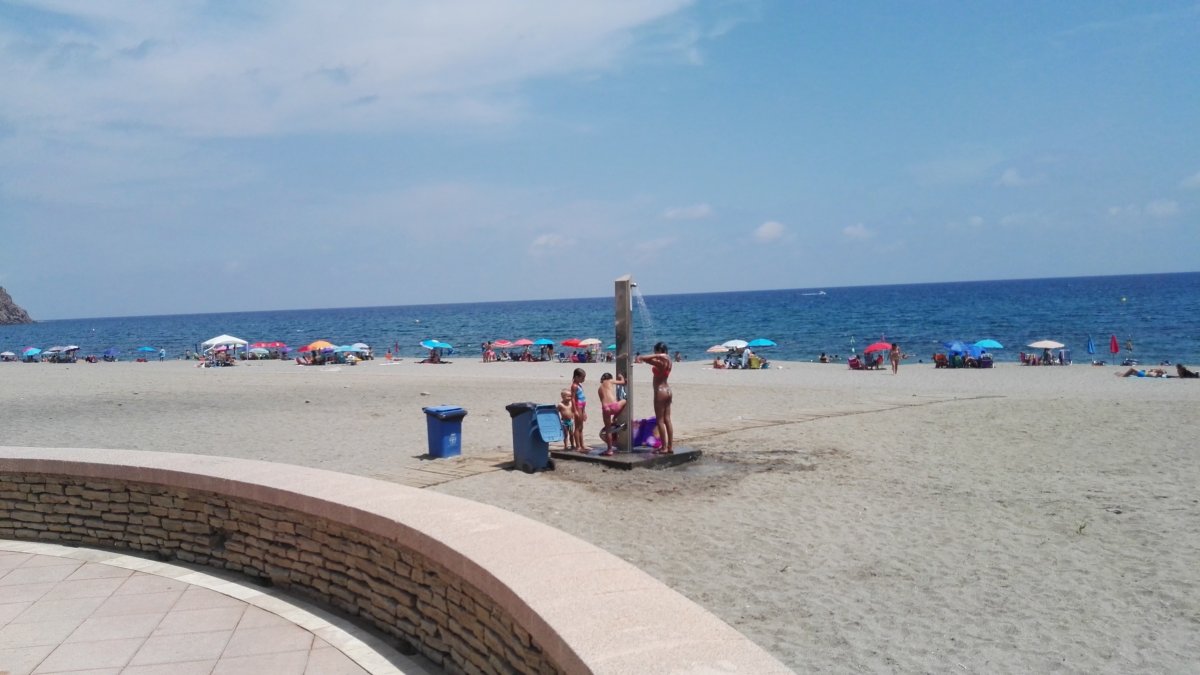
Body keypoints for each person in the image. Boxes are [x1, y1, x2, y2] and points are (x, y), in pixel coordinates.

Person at [636, 342, 674, 454]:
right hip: (668, 390)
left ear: (659, 351)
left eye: (655, 351)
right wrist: (661, 355)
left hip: (660, 391)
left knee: (660, 420)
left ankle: (664, 447)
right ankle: (670, 447)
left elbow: (643, 358)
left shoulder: (659, 362)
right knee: (667, 420)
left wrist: (657, 355)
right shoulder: (669, 361)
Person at [597, 372, 627, 456]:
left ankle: (609, 450)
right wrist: (621, 377)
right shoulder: (610, 381)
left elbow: (602, 399)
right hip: (614, 406)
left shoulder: (599, 389)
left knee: (608, 430)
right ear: (609, 378)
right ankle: (615, 417)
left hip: (605, 408)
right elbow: (623, 382)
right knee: (625, 401)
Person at [570, 368, 587, 452]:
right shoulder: (574, 386)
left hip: (582, 406)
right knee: (577, 427)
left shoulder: (579, 385)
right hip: (578, 406)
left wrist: (584, 412)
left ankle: (582, 444)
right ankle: (578, 446)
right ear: (576, 377)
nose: (584, 379)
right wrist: (575, 410)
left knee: (581, 427)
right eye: (582, 377)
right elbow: (572, 398)